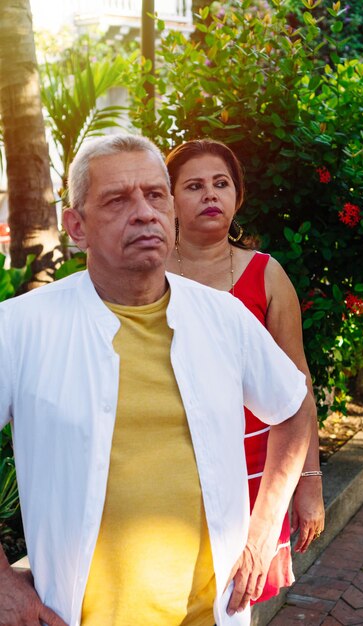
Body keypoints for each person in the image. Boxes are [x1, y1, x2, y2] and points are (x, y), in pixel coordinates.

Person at [0, 134, 314, 626]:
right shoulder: (19, 327)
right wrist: (4, 588)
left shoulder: (223, 317)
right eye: (117, 199)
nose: (144, 212)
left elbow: (292, 408)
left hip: (212, 612)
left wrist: (264, 527)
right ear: (76, 227)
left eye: (155, 195)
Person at [165, 138, 325, 602]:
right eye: (194, 186)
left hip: (257, 462)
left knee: (236, 592)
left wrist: (308, 485)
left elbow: (299, 387)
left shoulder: (266, 274)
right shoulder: (150, 273)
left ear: (238, 196)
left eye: (222, 184)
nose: (211, 194)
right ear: (170, 199)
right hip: (172, 454)